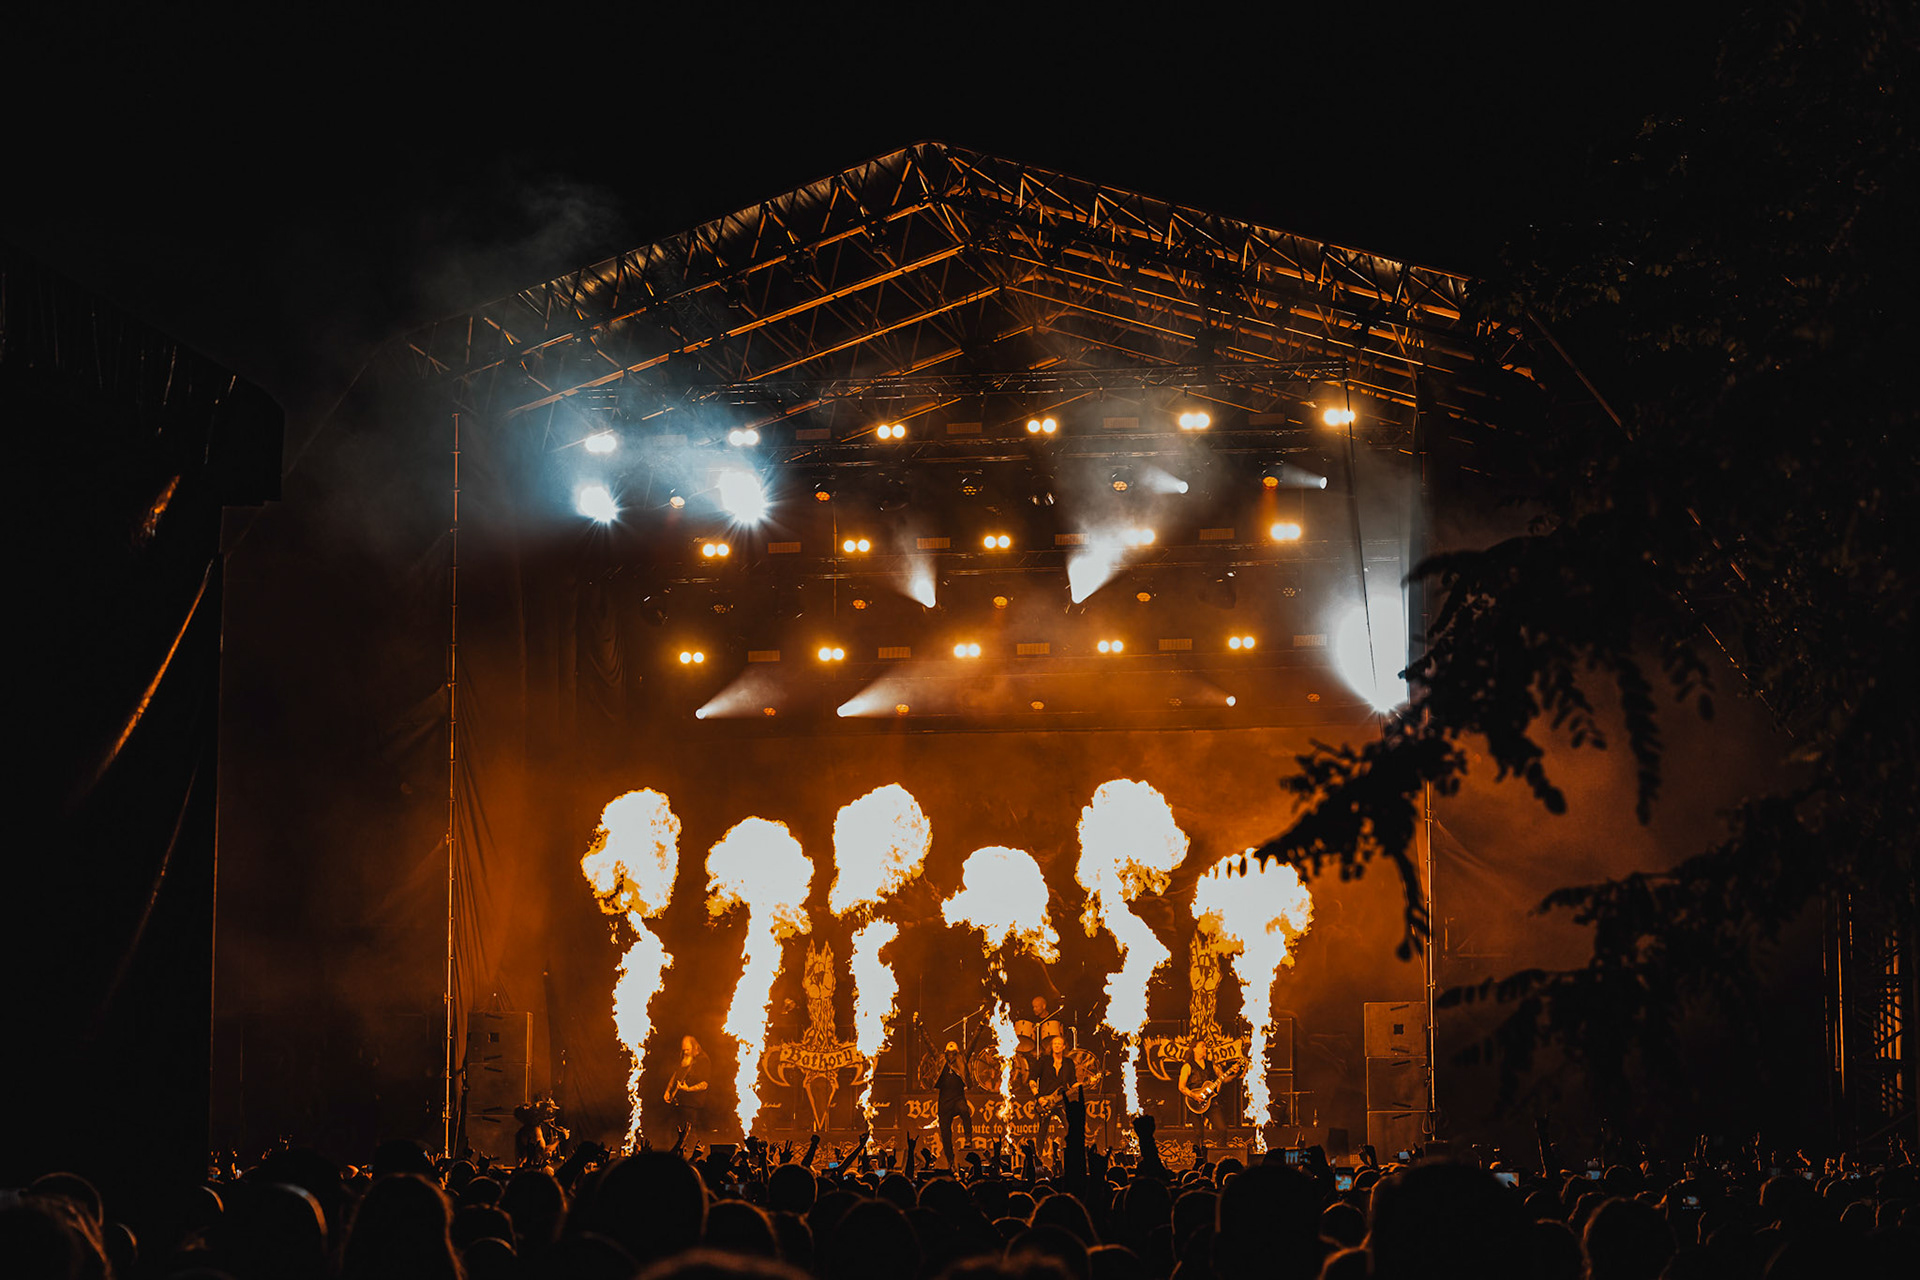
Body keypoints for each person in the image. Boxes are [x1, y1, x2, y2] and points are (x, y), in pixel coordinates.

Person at [1033, 1034, 1077, 1156]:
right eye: (1054, 1043)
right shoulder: (1044, 1061)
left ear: (1063, 1047)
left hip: (1062, 1101)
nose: (1057, 1045)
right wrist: (1039, 1097)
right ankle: (1038, 1156)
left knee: (1070, 1127)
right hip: (1045, 1101)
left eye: (1059, 1043)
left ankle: (1075, 1155)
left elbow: (1072, 1082)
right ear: (1052, 1046)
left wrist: (1086, 1083)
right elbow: (1032, 1080)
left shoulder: (1069, 1063)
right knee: (1042, 1131)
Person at [935, 1040, 974, 1169]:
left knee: (964, 1110)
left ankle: (968, 1138)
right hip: (944, 1102)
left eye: (954, 1053)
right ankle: (950, 1160)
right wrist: (921, 1027)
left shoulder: (962, 1059)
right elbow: (930, 1045)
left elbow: (971, 1044)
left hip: (958, 1098)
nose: (951, 1056)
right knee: (945, 1134)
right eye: (949, 1053)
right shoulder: (941, 1061)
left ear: (956, 1053)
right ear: (946, 1053)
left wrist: (980, 1026)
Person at [666, 1035, 712, 1143]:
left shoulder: (702, 1060)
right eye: (684, 1050)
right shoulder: (684, 1057)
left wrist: (688, 1089)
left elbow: (705, 1084)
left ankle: (691, 1157)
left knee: (690, 1133)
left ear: (695, 1047)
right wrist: (668, 1090)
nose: (685, 1052)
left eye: (688, 1049)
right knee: (675, 1132)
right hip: (678, 1102)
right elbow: (676, 1074)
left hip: (692, 1104)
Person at [1177, 1039, 1226, 1130]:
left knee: (1222, 1129)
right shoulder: (1187, 1066)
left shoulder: (1211, 1065)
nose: (1205, 1048)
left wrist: (1234, 1072)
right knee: (1198, 1134)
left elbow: (1223, 1078)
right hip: (1194, 1103)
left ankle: (1221, 1145)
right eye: (1202, 1046)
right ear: (1194, 1049)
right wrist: (1193, 1095)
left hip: (1211, 1102)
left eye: (1205, 1046)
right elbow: (1181, 1087)